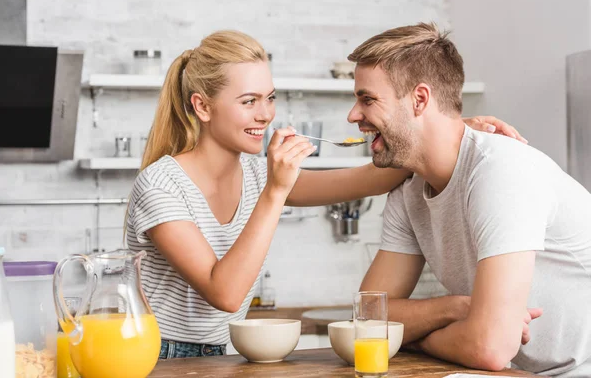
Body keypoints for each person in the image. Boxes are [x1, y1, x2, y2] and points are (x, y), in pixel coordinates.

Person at [125, 30, 523, 360]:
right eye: (249, 101)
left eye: (270, 97)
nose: (266, 115)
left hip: (220, 355)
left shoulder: (255, 175)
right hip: (153, 355)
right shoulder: (160, 185)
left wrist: (444, 130)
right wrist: (276, 190)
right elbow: (225, 293)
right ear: (202, 107)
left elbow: (368, 179)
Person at [350, 22, 591, 376]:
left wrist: (409, 338)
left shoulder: (501, 171)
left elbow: (488, 348)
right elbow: (368, 320)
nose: (353, 115)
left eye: (367, 99)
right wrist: (456, 309)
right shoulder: (409, 190)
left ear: (420, 99)